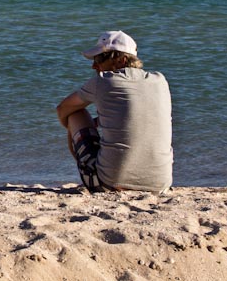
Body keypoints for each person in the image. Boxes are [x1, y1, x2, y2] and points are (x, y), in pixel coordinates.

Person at [56, 31, 173, 192]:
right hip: (160, 185)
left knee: (75, 114)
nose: (94, 66)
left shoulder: (104, 80)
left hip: (110, 182)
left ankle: (89, 170)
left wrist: (74, 130)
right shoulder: (160, 80)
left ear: (122, 60)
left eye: (100, 59)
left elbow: (63, 108)